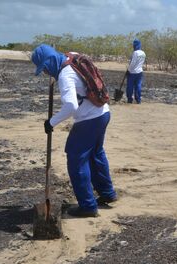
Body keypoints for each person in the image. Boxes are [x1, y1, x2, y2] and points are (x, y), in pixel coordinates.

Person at [32, 44, 117, 218]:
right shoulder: (72, 57)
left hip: (89, 119)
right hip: (103, 113)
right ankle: (107, 193)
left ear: (49, 63)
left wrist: (51, 122)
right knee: (95, 153)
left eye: (45, 70)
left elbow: (71, 105)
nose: (46, 73)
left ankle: (87, 206)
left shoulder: (64, 75)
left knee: (76, 158)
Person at [126, 39, 146, 104]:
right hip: (140, 72)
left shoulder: (135, 53)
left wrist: (128, 70)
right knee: (138, 85)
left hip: (133, 72)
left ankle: (129, 99)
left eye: (134, 45)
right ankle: (138, 100)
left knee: (130, 86)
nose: (133, 46)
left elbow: (133, 63)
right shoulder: (143, 53)